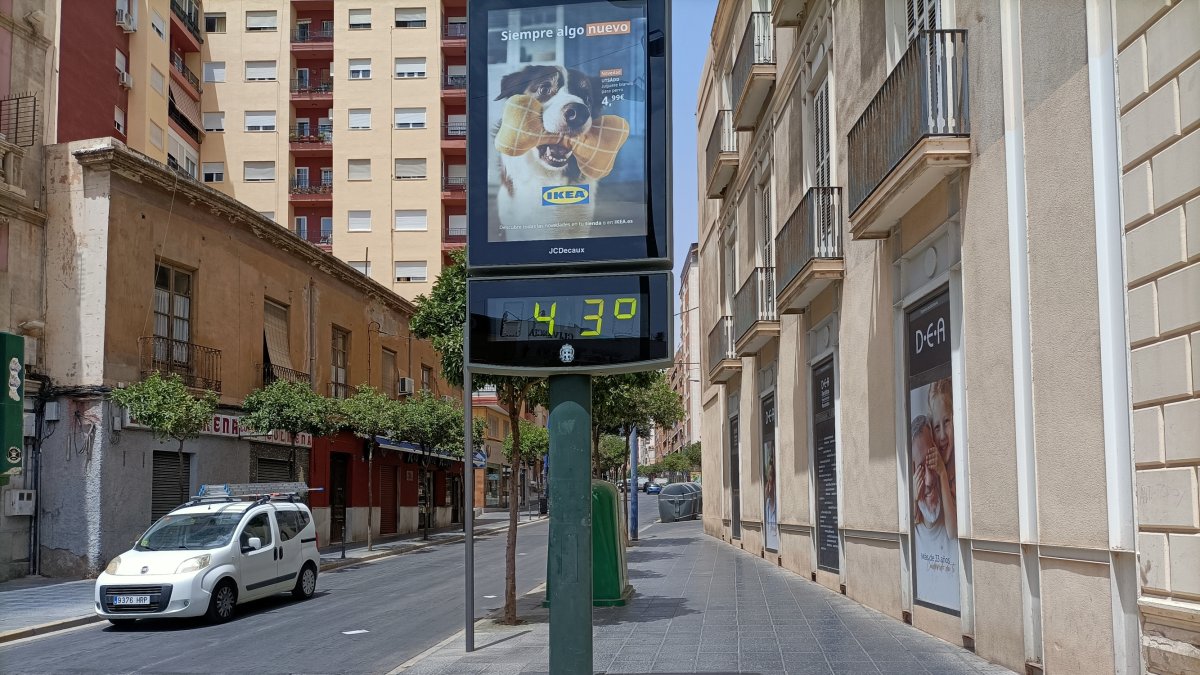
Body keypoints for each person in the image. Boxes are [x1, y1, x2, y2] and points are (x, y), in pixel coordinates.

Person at [928, 378, 956, 499]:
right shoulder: (931, 479)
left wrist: (943, 474)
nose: (943, 436)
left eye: (946, 422)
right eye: (937, 427)